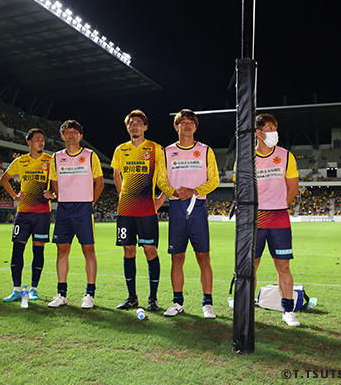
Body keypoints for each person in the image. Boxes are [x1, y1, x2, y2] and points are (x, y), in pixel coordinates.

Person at [156, 109, 220, 318]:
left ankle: (207, 303)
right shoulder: (167, 152)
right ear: (176, 126)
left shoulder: (205, 150)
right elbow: (161, 180)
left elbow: (214, 179)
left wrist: (194, 191)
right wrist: (174, 192)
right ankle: (177, 302)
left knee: (203, 257)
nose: (187, 125)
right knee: (177, 258)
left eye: (191, 122)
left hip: (197, 207)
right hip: (176, 208)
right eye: (183, 122)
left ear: (195, 127)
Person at [43, 120, 104, 309]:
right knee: (62, 250)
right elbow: (54, 181)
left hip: (84, 208)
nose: (71, 134)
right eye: (67, 132)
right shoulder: (56, 157)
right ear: (62, 136)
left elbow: (99, 183)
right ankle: (61, 294)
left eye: (74, 132)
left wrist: (90, 202)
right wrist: (60, 196)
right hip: (64, 209)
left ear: (80, 136)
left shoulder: (90, 155)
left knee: (88, 250)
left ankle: (89, 294)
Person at [112, 109, 166, 312]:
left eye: (138, 123)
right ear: (127, 127)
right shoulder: (120, 150)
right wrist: (122, 195)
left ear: (145, 127)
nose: (134, 126)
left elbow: (165, 176)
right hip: (125, 209)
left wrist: (161, 199)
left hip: (146, 210)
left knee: (149, 250)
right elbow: (116, 174)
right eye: (131, 123)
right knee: (128, 250)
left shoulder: (155, 149)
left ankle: (153, 299)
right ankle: (131, 297)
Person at [254, 113, 300, 327]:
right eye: (269, 129)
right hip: (254, 221)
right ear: (258, 133)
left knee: (283, 266)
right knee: (250, 266)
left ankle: (288, 310)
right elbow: (241, 189)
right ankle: (246, 308)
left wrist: (278, 205)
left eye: (275, 128)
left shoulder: (285, 156)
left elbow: (293, 188)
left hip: (279, 218)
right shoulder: (246, 158)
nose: (274, 132)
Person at [0, 128, 53, 303]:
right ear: (29, 142)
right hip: (23, 213)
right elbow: (3, 179)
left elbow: (59, 181)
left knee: (38, 251)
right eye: (37, 139)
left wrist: (53, 194)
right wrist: (14, 196)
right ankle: (16, 290)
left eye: (42, 139)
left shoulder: (50, 161)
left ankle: (33, 289)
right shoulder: (20, 161)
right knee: (17, 250)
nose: (41, 142)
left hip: (42, 213)